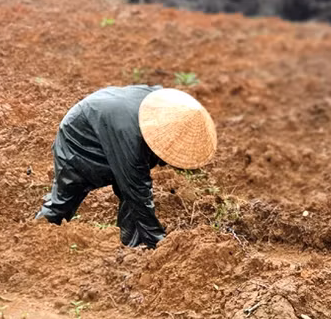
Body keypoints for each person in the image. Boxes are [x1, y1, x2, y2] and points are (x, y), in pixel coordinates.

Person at [34, 85, 217, 248]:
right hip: (78, 140)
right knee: (64, 200)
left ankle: (131, 245)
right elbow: (136, 190)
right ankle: (33, 238)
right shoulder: (132, 140)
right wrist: (160, 243)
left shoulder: (160, 103)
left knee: (130, 196)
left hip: (109, 121)